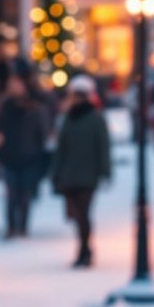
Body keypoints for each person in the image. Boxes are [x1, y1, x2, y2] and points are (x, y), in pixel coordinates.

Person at [50, 76, 113, 268]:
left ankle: (85, 249)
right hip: (70, 173)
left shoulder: (95, 119)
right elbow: (61, 148)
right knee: (76, 214)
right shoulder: (68, 119)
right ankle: (84, 248)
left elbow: (103, 146)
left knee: (83, 214)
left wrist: (105, 171)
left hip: (88, 174)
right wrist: (56, 172)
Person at [0, 74, 52, 238]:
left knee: (25, 194)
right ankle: (12, 226)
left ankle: (23, 226)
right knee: (11, 194)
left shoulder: (35, 107)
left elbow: (42, 132)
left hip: (29, 156)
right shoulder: (4, 106)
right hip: (9, 156)